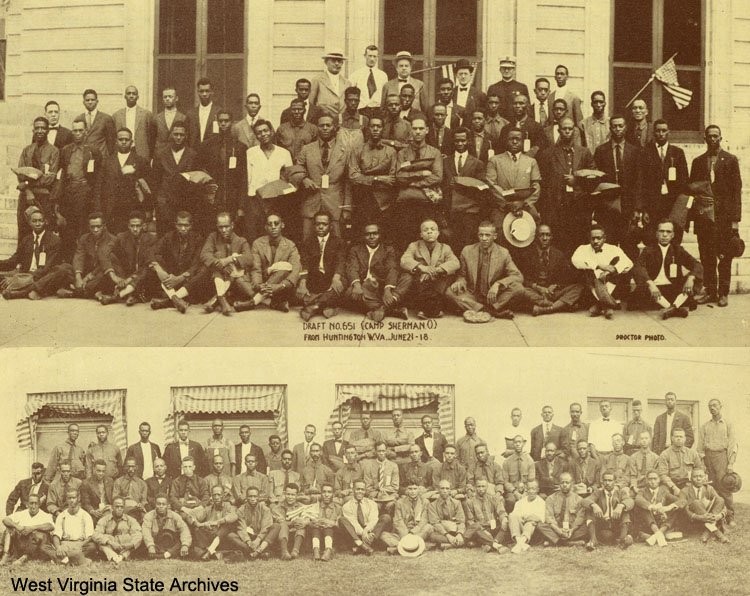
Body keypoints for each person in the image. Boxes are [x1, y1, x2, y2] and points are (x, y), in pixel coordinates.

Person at [689, 124, 742, 307]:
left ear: (721, 138)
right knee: (707, 256)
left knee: (725, 256)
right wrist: (693, 215)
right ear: (704, 138)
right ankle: (710, 291)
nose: (712, 139)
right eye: (709, 136)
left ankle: (723, 293)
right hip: (704, 218)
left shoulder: (730, 160)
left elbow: (736, 191)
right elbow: (692, 190)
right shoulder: (698, 161)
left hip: (724, 219)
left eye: (716, 136)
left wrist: (735, 221)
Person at [536, 118, 594, 254]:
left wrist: (577, 181)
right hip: (557, 209)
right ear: (559, 130)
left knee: (579, 246)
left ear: (574, 131)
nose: (567, 131)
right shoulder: (547, 154)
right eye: (564, 129)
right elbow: (542, 183)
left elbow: (593, 178)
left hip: (578, 208)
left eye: (570, 129)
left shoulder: (584, 152)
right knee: (558, 246)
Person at [447, 220, 525, 320]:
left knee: (518, 288)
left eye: (487, 235)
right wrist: (459, 282)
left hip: (493, 297)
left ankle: (480, 309)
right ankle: (491, 311)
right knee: (449, 292)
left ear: (495, 236)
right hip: (472, 294)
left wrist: (498, 284)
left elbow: (518, 276)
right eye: (481, 235)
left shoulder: (503, 253)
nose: (484, 238)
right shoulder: (467, 251)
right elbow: (462, 275)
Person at [50, 117, 101, 263]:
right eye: (75, 130)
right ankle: (67, 262)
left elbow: (97, 178)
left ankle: (82, 264)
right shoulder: (66, 150)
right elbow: (62, 174)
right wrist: (58, 198)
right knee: (67, 230)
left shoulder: (93, 151)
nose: (77, 133)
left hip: (85, 193)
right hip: (68, 193)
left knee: (82, 231)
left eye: (80, 130)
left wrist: (94, 199)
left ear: (86, 132)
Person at [632, 219, 701, 318]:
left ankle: (670, 308)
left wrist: (691, 278)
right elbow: (638, 267)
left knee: (695, 279)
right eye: (661, 231)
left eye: (668, 232)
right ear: (656, 234)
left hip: (672, 289)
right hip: (654, 290)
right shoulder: (648, 250)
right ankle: (675, 307)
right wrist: (650, 283)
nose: (665, 235)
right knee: (642, 290)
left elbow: (696, 264)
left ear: (672, 235)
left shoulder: (678, 250)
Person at [297, 114, 351, 241]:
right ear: (317, 128)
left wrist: (347, 207)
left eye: (328, 125)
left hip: (335, 202)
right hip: (311, 201)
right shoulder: (307, 149)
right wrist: (304, 178)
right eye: (322, 125)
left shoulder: (345, 150)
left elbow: (348, 181)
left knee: (337, 240)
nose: (325, 128)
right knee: (308, 239)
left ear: (335, 128)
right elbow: (296, 169)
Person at [393, 116, 444, 249]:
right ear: (410, 131)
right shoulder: (402, 153)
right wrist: (420, 173)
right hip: (405, 203)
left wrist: (415, 184)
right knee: (405, 237)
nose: (418, 131)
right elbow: (399, 177)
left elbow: (437, 177)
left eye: (421, 128)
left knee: (426, 238)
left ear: (427, 130)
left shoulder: (434, 152)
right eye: (415, 128)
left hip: (426, 203)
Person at [592, 114, 640, 253]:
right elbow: (597, 179)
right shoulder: (601, 151)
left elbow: (639, 181)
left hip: (628, 207)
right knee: (609, 247)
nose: (617, 129)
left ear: (625, 128)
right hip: (608, 206)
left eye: (620, 126)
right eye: (614, 126)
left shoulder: (634, 151)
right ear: (610, 128)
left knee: (629, 246)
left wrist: (637, 208)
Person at [345, 222, 410, 322]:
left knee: (407, 278)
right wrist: (357, 285)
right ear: (363, 236)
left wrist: (387, 289)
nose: (371, 237)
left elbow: (392, 269)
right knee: (350, 292)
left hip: (381, 287)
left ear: (380, 235)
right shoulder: (356, 250)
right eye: (368, 234)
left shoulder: (388, 250)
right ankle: (387, 309)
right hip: (363, 288)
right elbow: (352, 268)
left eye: (375, 234)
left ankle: (377, 308)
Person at [196, 109, 248, 235]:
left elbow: (243, 178)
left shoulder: (240, 147)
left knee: (232, 231)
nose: (223, 124)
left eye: (227, 121)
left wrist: (241, 206)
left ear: (232, 123)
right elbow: (199, 170)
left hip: (232, 198)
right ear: (217, 123)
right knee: (212, 230)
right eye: (221, 121)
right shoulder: (207, 146)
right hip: (213, 198)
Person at [515, 224, 583, 316]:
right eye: (541, 235)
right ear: (536, 237)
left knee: (578, 287)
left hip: (553, 292)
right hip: (535, 292)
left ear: (551, 237)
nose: (545, 238)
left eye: (548, 235)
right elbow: (522, 278)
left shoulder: (558, 255)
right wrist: (537, 287)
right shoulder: (527, 255)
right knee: (519, 289)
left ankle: (547, 309)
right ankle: (560, 305)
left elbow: (565, 277)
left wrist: (555, 286)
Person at [637, 120, 689, 240]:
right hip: (652, 204)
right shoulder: (645, 152)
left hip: (672, 204)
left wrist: (681, 208)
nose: (661, 133)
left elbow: (684, 181)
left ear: (668, 132)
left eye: (664, 130)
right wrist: (643, 209)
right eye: (658, 131)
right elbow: (640, 181)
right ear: (653, 133)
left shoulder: (677, 153)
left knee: (674, 238)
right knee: (652, 238)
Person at [245, 118, 294, 245]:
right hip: (255, 200)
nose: (263, 134)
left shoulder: (284, 153)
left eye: (266, 130)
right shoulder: (250, 153)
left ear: (271, 132)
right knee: (255, 233)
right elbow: (248, 178)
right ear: (256, 136)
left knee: (275, 233)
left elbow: (289, 180)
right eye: (259, 132)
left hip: (276, 200)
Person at [148, 211, 209, 313]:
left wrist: (180, 278)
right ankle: (177, 300)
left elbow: (196, 264)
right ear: (175, 225)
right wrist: (159, 270)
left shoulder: (198, 239)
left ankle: (169, 300)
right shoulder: (169, 237)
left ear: (191, 225)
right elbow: (151, 252)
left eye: (186, 225)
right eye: (180, 225)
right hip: (171, 279)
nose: (183, 229)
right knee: (155, 262)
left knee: (204, 269)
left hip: (188, 281)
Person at [348, 115, 398, 237]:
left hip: (385, 202)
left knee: (385, 235)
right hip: (363, 199)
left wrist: (364, 177)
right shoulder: (358, 150)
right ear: (368, 128)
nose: (375, 129)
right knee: (362, 235)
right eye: (372, 126)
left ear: (383, 129)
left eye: (378, 126)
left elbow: (392, 179)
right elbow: (353, 176)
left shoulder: (391, 151)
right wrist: (378, 178)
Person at [399, 218, 458, 319]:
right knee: (421, 285)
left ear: (438, 233)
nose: (429, 232)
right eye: (426, 230)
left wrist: (437, 270)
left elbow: (455, 263)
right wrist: (422, 268)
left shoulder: (445, 247)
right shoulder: (414, 245)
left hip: (438, 279)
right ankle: (433, 310)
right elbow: (404, 260)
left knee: (443, 283)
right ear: (421, 234)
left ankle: (427, 310)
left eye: (433, 229)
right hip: (421, 280)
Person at [571, 225, 633, 319]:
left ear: (604, 238)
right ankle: (607, 305)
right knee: (589, 273)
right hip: (590, 284)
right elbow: (575, 260)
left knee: (617, 270)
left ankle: (600, 305)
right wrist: (599, 266)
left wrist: (611, 271)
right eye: (593, 238)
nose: (595, 241)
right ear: (589, 238)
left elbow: (629, 263)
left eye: (598, 238)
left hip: (609, 283)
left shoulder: (613, 249)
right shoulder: (582, 249)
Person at [486, 128, 542, 233]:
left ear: (522, 141)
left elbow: (536, 186)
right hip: (502, 209)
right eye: (511, 139)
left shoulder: (531, 162)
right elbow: (491, 185)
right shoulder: (495, 160)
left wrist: (524, 203)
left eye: (518, 139)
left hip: (525, 208)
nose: (515, 142)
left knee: (528, 235)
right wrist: (507, 204)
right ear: (505, 140)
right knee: (500, 233)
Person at [15, 116, 59, 247]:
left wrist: (27, 184)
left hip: (43, 197)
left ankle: (42, 261)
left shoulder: (53, 151)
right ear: (33, 130)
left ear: (48, 131)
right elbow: (20, 174)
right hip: (26, 197)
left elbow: (49, 178)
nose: (40, 131)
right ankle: (22, 261)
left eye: (43, 128)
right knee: (24, 227)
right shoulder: (27, 150)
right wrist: (28, 190)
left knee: (44, 228)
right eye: (37, 128)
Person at [199, 211, 254, 316]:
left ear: (232, 225)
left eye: (226, 226)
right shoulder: (213, 237)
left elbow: (249, 259)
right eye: (220, 227)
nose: (223, 230)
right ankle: (222, 299)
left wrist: (230, 259)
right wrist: (220, 264)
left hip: (234, 280)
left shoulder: (241, 241)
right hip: (216, 278)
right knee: (217, 261)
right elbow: (204, 254)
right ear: (217, 226)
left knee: (231, 267)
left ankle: (217, 299)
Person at [0, 207, 61, 300]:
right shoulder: (26, 240)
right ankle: (23, 289)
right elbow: (13, 261)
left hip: (42, 276)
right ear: (29, 223)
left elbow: (46, 268)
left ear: (45, 222)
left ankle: (19, 293)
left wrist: (24, 278)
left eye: (40, 221)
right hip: (26, 275)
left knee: (58, 271)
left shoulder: (54, 240)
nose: (38, 223)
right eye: (34, 221)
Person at [98, 210, 157, 306]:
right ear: (128, 226)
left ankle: (118, 296)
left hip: (141, 276)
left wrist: (130, 279)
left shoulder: (151, 239)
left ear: (143, 226)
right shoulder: (121, 237)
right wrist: (114, 277)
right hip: (124, 275)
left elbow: (148, 262)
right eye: (132, 226)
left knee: (149, 266)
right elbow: (104, 252)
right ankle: (131, 295)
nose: (135, 229)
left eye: (138, 226)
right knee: (111, 256)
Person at [99, 127, 151, 235]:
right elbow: (99, 186)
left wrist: (147, 210)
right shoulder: (107, 161)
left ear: (131, 142)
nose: (123, 142)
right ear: (116, 141)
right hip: (112, 210)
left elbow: (147, 188)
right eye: (121, 139)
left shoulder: (140, 161)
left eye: (126, 140)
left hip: (132, 209)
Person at [297, 209, 346, 321]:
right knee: (299, 289)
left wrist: (336, 277)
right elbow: (304, 263)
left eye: (324, 224)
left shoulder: (338, 242)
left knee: (341, 284)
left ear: (330, 226)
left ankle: (314, 306)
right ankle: (328, 305)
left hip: (331, 278)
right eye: (318, 224)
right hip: (314, 278)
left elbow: (341, 261)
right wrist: (303, 282)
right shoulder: (307, 242)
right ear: (314, 226)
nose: (321, 227)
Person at [152, 121, 198, 235]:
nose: (178, 137)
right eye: (175, 134)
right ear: (171, 134)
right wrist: (159, 202)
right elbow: (155, 181)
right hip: (165, 204)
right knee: (165, 236)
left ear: (186, 135)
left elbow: (196, 181)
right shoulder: (161, 154)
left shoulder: (193, 155)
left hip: (185, 204)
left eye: (181, 135)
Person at [697, 399, 738, 528]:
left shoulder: (728, 424)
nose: (712, 408)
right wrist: (703, 463)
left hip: (722, 457)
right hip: (708, 458)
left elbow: (733, 445)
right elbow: (700, 447)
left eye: (715, 405)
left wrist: (730, 463)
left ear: (721, 406)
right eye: (710, 406)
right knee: (710, 487)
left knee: (724, 487)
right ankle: (715, 516)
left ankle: (730, 516)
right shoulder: (705, 426)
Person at [582, 469, 634, 550]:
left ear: (615, 481)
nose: (607, 483)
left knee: (625, 513)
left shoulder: (621, 493)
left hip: (616, 524)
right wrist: (594, 505)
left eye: (610, 480)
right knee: (589, 510)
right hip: (602, 524)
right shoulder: (598, 493)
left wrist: (621, 505)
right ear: (602, 482)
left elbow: (630, 501)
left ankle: (622, 540)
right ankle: (593, 540)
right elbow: (585, 500)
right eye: (605, 480)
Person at [184, 485, 238, 560]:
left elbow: (234, 516)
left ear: (223, 495)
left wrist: (216, 522)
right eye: (214, 495)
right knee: (197, 529)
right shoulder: (208, 508)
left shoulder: (229, 506)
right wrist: (200, 524)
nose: (216, 497)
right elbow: (190, 516)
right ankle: (213, 552)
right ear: (211, 496)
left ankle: (209, 551)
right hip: (210, 538)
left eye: (218, 494)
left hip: (224, 538)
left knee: (226, 526)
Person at [41, 490, 94, 565]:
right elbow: (56, 535)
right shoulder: (62, 515)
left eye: (74, 498)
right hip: (64, 544)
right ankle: (76, 558)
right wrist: (58, 547)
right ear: (66, 499)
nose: (71, 500)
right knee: (44, 547)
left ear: (78, 498)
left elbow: (90, 536)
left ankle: (62, 559)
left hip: (79, 544)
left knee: (92, 546)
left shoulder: (85, 515)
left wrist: (80, 545)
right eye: (69, 498)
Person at [677, 468, 729, 544]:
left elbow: (722, 505)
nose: (698, 479)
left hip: (709, 517)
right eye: (695, 476)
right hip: (694, 521)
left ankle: (707, 532)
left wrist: (719, 516)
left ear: (704, 477)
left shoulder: (709, 488)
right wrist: (699, 517)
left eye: (701, 476)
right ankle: (719, 534)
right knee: (696, 502)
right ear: (691, 478)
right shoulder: (684, 491)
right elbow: (684, 510)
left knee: (720, 499)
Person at [536, 472, 588, 547]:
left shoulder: (579, 500)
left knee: (586, 526)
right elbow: (549, 517)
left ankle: (556, 541)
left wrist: (572, 530)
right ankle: (568, 543)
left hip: (572, 530)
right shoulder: (551, 498)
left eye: (567, 483)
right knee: (540, 525)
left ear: (572, 483)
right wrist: (559, 531)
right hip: (556, 529)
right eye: (562, 482)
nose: (564, 485)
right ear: (559, 484)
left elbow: (580, 518)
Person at [85, 496, 142, 564]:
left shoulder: (130, 520)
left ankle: (121, 556)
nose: (119, 509)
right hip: (110, 547)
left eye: (121, 507)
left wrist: (130, 544)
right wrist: (110, 542)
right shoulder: (104, 520)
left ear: (124, 508)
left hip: (125, 546)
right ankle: (114, 557)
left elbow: (138, 534)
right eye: (117, 506)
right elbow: (95, 534)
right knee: (101, 542)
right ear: (112, 507)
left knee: (135, 540)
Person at [381, 481, 433, 555]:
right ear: (407, 490)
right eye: (410, 489)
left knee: (429, 527)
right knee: (383, 535)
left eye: (415, 489)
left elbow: (424, 520)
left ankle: (401, 546)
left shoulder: (425, 502)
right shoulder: (400, 502)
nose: (412, 491)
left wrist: (413, 532)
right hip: (403, 532)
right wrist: (406, 535)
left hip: (417, 532)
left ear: (419, 489)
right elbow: (398, 521)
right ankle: (412, 545)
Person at [0, 493, 53, 565]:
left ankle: (24, 557)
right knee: (9, 529)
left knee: (39, 535)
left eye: (36, 503)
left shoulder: (45, 515)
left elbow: (51, 526)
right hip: (20, 542)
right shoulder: (22, 513)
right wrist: (17, 526)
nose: (33, 506)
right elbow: (5, 519)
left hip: (34, 546)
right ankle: (6, 555)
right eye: (31, 503)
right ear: (27, 504)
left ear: (39, 504)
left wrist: (32, 528)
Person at [228, 486, 279, 560]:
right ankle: (258, 552)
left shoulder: (265, 509)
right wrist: (249, 542)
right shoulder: (241, 510)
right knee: (231, 535)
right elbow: (241, 528)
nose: (252, 499)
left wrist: (258, 540)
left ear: (258, 497)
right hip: (248, 539)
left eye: (255, 496)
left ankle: (258, 551)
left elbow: (266, 527)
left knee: (276, 526)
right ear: (246, 497)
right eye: (250, 496)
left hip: (262, 538)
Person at [463, 478, 509, 553]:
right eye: (479, 486)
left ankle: (488, 543)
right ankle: (496, 545)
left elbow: (501, 511)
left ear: (487, 487)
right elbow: (470, 521)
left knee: (506, 524)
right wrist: (483, 530)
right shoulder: (469, 502)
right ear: (475, 488)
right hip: (480, 530)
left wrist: (504, 518)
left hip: (492, 527)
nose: (481, 489)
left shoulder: (493, 498)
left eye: (483, 486)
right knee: (475, 530)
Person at [112, 85, 156, 163]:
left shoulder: (146, 114)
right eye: (129, 93)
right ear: (125, 96)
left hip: (141, 151)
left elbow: (151, 137)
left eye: (134, 93)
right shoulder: (116, 115)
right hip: (123, 151)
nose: (131, 96)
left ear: (137, 97)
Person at [634, 470, 679, 546]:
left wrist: (668, 507)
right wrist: (652, 507)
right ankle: (659, 535)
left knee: (675, 508)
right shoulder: (643, 490)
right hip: (649, 522)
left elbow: (680, 500)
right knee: (644, 508)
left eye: (655, 479)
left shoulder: (664, 490)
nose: (653, 481)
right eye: (650, 479)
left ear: (659, 480)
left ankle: (657, 535)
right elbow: (638, 499)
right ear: (647, 480)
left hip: (661, 521)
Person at [141, 495, 191, 559]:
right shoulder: (148, 516)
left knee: (180, 543)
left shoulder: (175, 516)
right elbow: (146, 532)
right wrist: (150, 545)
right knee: (143, 545)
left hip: (171, 544)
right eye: (158, 504)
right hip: (156, 544)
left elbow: (184, 529)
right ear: (155, 505)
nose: (161, 506)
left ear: (167, 505)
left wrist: (185, 545)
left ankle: (162, 556)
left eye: (163, 504)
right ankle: (168, 555)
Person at [271, 483, 312, 559]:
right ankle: (284, 552)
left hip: (297, 536)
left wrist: (304, 522)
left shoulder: (301, 506)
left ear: (297, 495)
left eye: (293, 495)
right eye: (288, 494)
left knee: (301, 524)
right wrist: (292, 523)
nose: (290, 497)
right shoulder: (277, 508)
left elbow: (308, 518)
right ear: (284, 494)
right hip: (282, 537)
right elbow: (280, 521)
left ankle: (295, 551)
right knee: (283, 525)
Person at [657, 428, 703, 494]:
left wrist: (692, 484)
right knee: (665, 493)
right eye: (676, 436)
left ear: (685, 438)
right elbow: (663, 475)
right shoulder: (665, 454)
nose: (679, 438)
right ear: (672, 438)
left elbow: (699, 470)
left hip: (688, 484)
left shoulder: (692, 453)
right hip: (671, 484)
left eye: (681, 437)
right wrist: (673, 487)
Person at [349, 45, 388, 118]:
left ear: (377, 57)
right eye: (370, 56)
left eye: (374, 56)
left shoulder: (383, 76)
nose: (372, 59)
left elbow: (385, 96)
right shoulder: (356, 75)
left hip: (378, 111)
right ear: (365, 56)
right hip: (361, 111)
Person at [310, 50, 352, 118]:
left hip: (341, 121)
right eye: (333, 61)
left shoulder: (347, 83)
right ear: (326, 62)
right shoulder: (318, 80)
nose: (336, 63)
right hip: (323, 121)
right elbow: (311, 103)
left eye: (339, 61)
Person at [486, 56, 529, 122]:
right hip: (498, 123)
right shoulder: (493, 88)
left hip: (516, 122)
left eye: (509, 68)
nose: (506, 70)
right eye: (504, 68)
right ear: (500, 69)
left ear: (514, 70)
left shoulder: (522, 87)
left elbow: (527, 108)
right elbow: (488, 108)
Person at [276, 98, 319, 162]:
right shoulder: (282, 129)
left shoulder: (313, 129)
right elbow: (277, 150)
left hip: (306, 165)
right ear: (290, 111)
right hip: (287, 164)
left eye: (299, 109)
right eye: (294, 109)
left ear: (304, 110)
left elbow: (316, 152)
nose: (296, 112)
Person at [508, 479, 545, 553]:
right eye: (529, 489)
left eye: (533, 489)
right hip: (520, 529)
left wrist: (526, 517)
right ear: (526, 490)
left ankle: (520, 543)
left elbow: (541, 518)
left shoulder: (541, 502)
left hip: (533, 533)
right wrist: (527, 517)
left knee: (531, 522)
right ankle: (520, 543)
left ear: (537, 490)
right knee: (512, 516)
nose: (531, 491)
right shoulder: (520, 502)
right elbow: (515, 515)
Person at [426, 479, 465, 549]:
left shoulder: (456, 503)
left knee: (467, 531)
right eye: (442, 488)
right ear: (438, 490)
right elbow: (435, 523)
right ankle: (460, 542)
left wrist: (459, 534)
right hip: (441, 532)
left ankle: (449, 545)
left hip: (455, 530)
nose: (445, 491)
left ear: (450, 490)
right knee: (432, 536)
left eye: (447, 488)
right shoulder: (432, 505)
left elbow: (461, 521)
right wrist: (448, 535)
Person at [307, 483, 341, 561]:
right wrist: (316, 522)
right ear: (321, 493)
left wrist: (330, 523)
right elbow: (309, 519)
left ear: (333, 494)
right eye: (324, 492)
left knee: (328, 528)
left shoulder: (338, 508)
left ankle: (328, 550)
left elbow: (340, 523)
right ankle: (316, 550)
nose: (326, 495)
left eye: (329, 492)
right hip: (316, 535)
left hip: (331, 537)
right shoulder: (315, 506)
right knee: (315, 528)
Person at [501, 435, 536, 511]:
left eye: (519, 442)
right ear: (513, 444)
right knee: (510, 500)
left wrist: (526, 492)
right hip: (512, 492)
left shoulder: (529, 461)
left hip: (527, 491)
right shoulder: (507, 462)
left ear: (523, 444)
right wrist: (515, 492)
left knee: (530, 500)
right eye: (515, 442)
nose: (517, 444)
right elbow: (506, 482)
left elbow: (531, 481)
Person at [78, 89, 116, 158]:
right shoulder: (79, 118)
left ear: (97, 101)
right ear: (83, 102)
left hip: (101, 158)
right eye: (87, 100)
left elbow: (111, 142)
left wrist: (108, 158)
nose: (90, 102)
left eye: (92, 100)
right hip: (84, 158)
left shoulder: (106, 118)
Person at [186, 77, 222, 146]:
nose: (204, 94)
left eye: (207, 91)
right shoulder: (190, 114)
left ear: (212, 92)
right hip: (194, 153)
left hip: (211, 153)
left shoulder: (218, 112)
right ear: (198, 92)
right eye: (201, 91)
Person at [363, 441, 399, 507]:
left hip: (389, 494)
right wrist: (378, 493)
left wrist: (384, 490)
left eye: (383, 451)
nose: (381, 453)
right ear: (375, 452)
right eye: (379, 451)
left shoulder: (393, 466)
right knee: (375, 506)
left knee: (391, 505)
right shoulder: (368, 466)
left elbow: (395, 487)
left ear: (386, 451)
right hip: (374, 495)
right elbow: (368, 486)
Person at [112, 457, 148, 523]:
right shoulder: (118, 481)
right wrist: (123, 499)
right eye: (128, 466)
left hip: (137, 509)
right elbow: (115, 497)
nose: (131, 469)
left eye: (133, 466)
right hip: (122, 507)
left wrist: (141, 504)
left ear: (136, 467)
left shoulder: (142, 483)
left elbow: (144, 500)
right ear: (125, 467)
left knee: (145, 517)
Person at [154, 86, 188, 156]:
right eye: (165, 97)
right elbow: (152, 139)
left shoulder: (183, 118)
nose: (167, 99)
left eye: (170, 96)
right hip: (160, 155)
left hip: (177, 154)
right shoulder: (156, 118)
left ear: (176, 98)